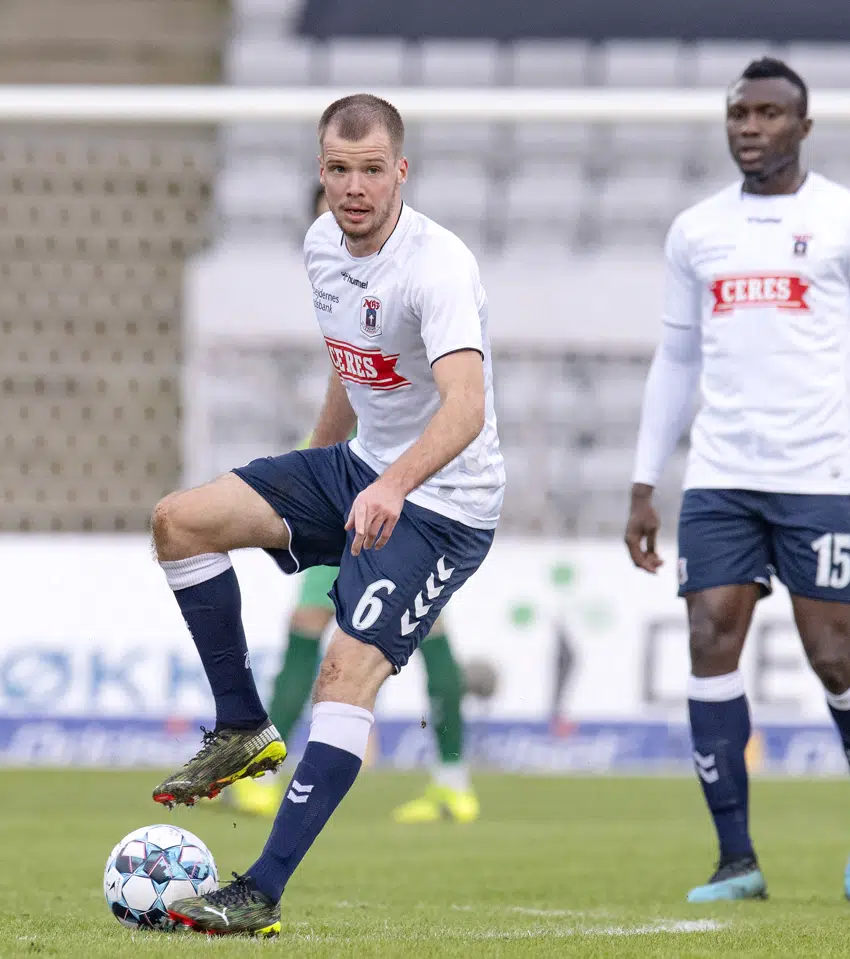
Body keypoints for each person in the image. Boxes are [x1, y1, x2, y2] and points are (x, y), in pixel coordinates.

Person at [150, 93, 504, 936]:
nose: (355, 187)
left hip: (444, 504)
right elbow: (355, 363)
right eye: (340, 170)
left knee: (344, 674)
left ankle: (260, 889)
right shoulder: (321, 246)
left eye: (372, 169)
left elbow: (465, 408)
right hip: (354, 470)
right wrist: (311, 472)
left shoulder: (437, 266)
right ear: (321, 171)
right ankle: (243, 725)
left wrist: (392, 486)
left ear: (401, 172)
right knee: (179, 522)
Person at [624, 58, 850, 905]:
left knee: (832, 654)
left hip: (817, 475)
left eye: (768, 114)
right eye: (739, 114)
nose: (751, 127)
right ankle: (736, 857)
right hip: (721, 476)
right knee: (708, 636)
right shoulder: (697, 230)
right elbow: (676, 357)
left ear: (803, 126)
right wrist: (644, 480)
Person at [227, 185, 480, 824]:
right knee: (412, 627)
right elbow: (348, 378)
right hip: (354, 474)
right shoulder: (337, 284)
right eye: (327, 211)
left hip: (399, 480)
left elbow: (447, 392)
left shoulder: (415, 278)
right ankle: (452, 782)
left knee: (322, 622)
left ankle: (266, 774)